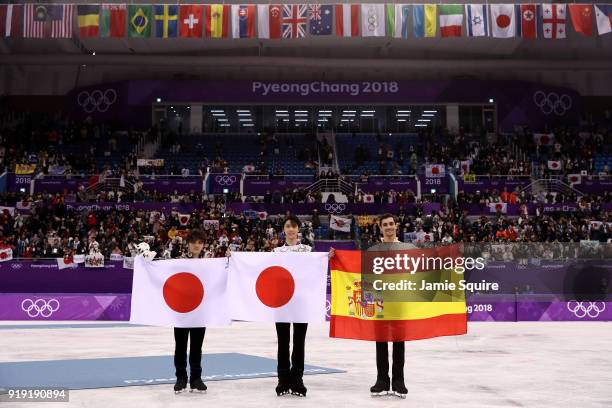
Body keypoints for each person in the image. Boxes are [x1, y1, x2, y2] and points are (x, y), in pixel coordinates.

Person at [272, 215, 334, 397]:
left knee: (299, 342)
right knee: (283, 343)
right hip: (282, 302)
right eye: (287, 226)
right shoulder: (276, 252)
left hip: (301, 302)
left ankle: (297, 380)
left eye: (294, 226)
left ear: (298, 229)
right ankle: (283, 380)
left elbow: (316, 268)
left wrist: (327, 257)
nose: (291, 229)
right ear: (283, 230)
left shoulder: (308, 250)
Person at [367, 213, 416, 398]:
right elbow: (367, 275)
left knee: (398, 343)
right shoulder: (373, 250)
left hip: (400, 302)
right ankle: (381, 380)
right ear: (380, 228)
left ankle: (398, 381)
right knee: (380, 342)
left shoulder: (409, 248)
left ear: (396, 226)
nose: (388, 227)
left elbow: (423, 268)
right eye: (385, 224)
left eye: (391, 224)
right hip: (380, 301)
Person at [173, 229, 208, 393]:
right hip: (181, 310)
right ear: (188, 244)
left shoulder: (209, 263)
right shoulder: (178, 261)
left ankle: (196, 378)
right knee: (180, 346)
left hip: (200, 311)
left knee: (196, 347)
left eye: (200, 242)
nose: (196, 245)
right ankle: (181, 378)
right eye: (193, 242)